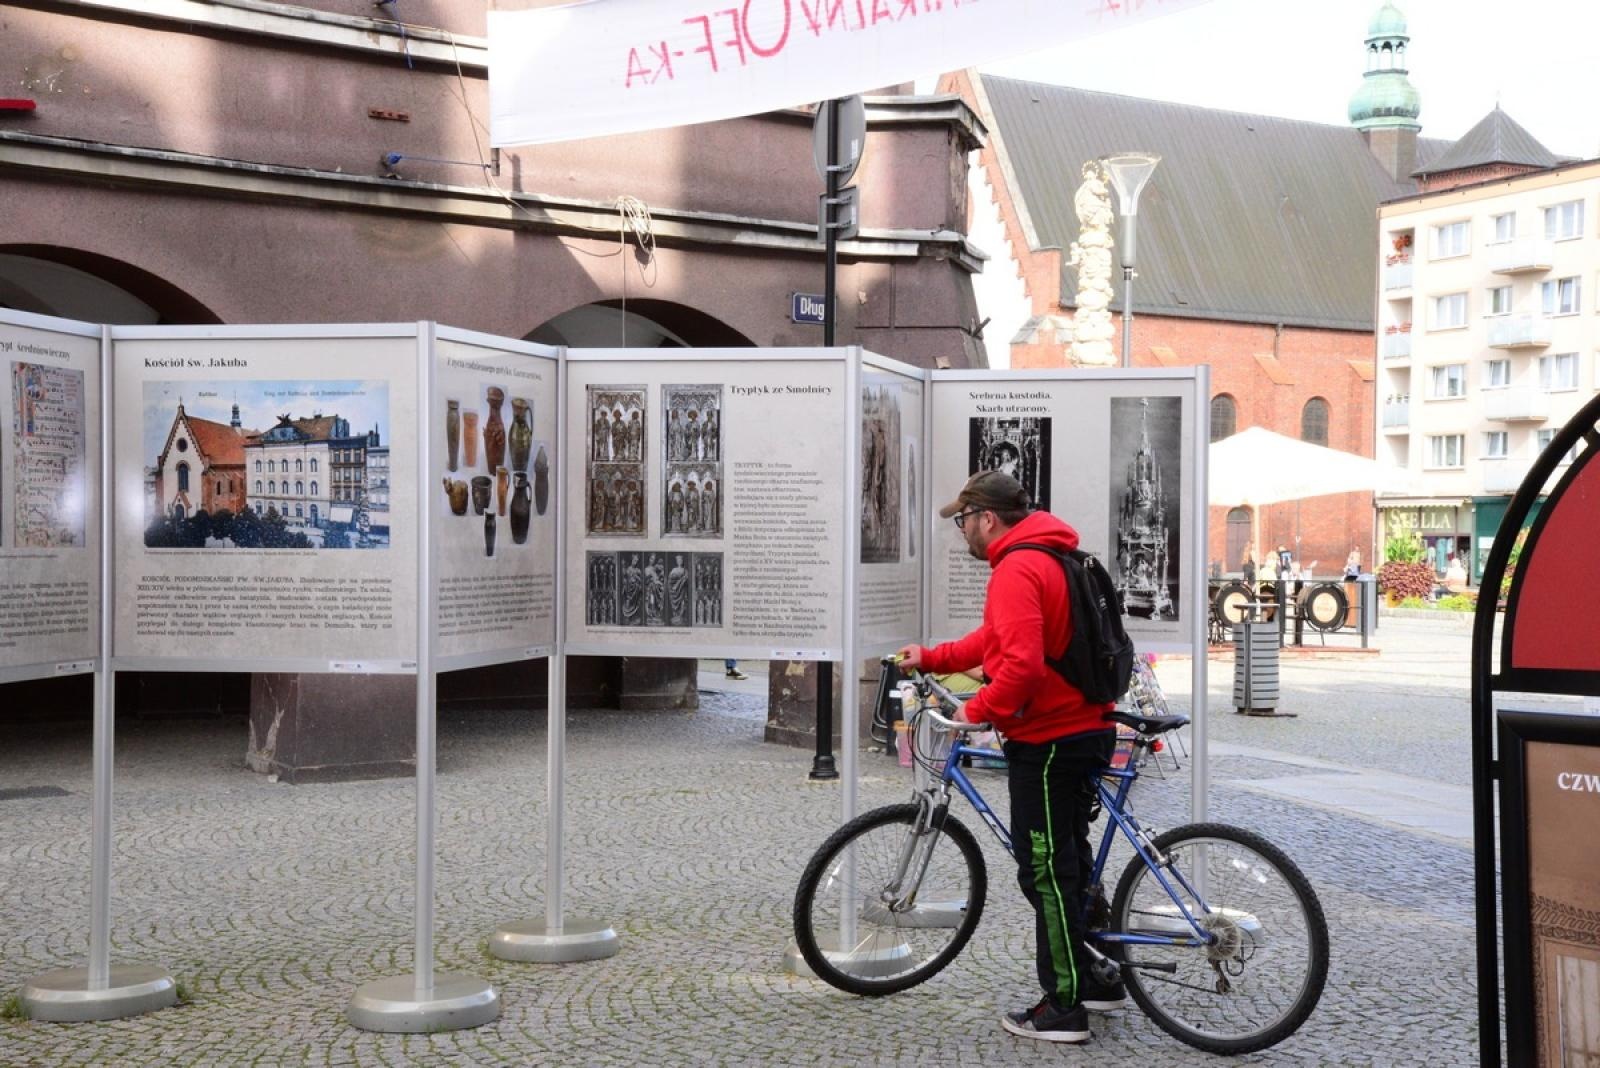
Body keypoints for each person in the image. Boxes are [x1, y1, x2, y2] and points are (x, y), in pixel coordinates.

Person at [896, 469, 1119, 1045]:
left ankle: (1064, 1007)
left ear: (987, 518)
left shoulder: (1018, 568)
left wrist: (977, 712)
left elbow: (1016, 668)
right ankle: (1095, 974)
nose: (962, 531)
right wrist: (931, 656)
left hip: (1049, 741)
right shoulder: (1048, 555)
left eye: (964, 520)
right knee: (1070, 862)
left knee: (1047, 872)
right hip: (1082, 728)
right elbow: (996, 641)